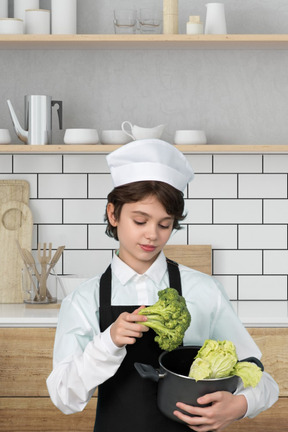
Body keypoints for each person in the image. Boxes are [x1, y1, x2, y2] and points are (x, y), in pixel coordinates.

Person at [47, 139, 279, 432]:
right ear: (113, 214)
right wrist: (109, 342)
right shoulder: (83, 300)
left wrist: (240, 406)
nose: (151, 235)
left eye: (164, 224)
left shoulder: (204, 291)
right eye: (140, 220)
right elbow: (64, 397)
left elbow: (262, 378)